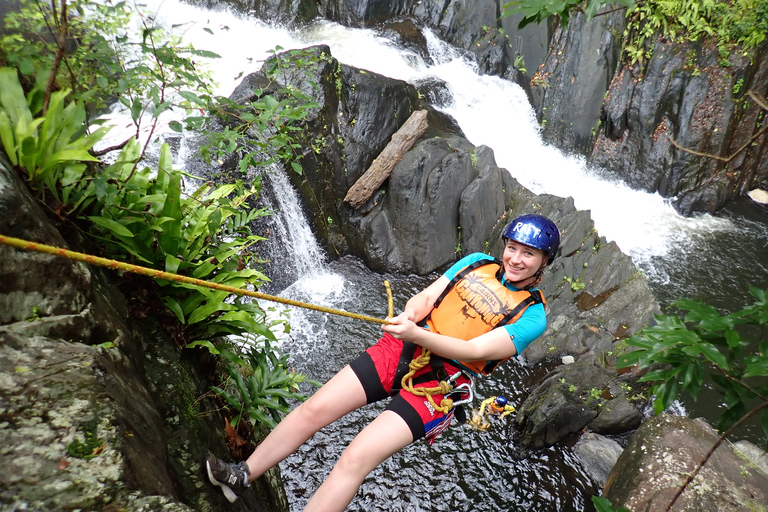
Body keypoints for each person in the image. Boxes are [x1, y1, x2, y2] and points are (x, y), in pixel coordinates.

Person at [205, 213, 560, 511]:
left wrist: (417, 334)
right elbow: (427, 298)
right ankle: (242, 475)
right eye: (512, 248)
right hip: (401, 348)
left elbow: (478, 351)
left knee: (356, 457)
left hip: (441, 384)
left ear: (544, 261)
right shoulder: (476, 264)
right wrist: (408, 316)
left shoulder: (532, 315)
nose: (515, 258)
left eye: (528, 254)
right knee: (314, 410)